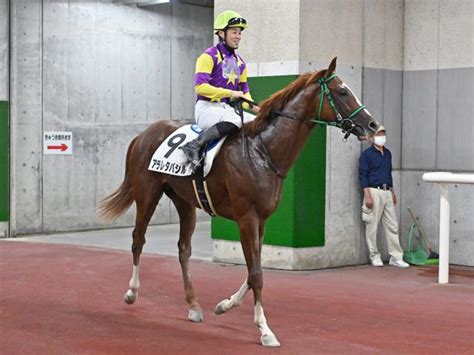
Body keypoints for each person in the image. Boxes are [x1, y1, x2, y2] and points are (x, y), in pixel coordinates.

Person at [180, 10, 259, 168]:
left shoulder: (241, 63)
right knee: (236, 120)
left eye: (239, 33)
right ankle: (194, 144)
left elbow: (244, 93)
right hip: (206, 109)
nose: (238, 36)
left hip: (225, 110)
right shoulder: (207, 56)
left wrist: (255, 107)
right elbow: (200, 88)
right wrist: (229, 93)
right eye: (234, 32)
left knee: (258, 122)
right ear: (221, 33)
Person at [359, 125, 409, 268]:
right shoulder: (367, 155)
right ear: (371, 137)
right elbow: (363, 176)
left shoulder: (387, 153)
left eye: (383, 133)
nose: (382, 136)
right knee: (372, 225)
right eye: (379, 133)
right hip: (373, 191)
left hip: (387, 191)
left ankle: (396, 257)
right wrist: (367, 195)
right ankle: (374, 256)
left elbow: (389, 173)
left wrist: (392, 192)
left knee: (392, 225)